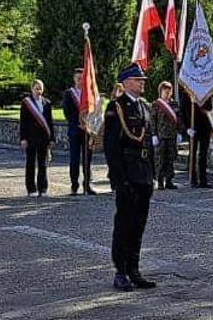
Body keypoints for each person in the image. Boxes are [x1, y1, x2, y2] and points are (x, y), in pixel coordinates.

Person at [105, 64, 158, 291]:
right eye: (138, 79)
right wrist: (119, 179)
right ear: (126, 82)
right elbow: (111, 147)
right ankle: (121, 271)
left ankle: (134, 269)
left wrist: (152, 174)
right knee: (124, 224)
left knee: (139, 224)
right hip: (127, 174)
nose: (142, 82)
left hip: (143, 174)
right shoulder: (116, 107)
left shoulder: (145, 107)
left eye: (142, 79)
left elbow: (148, 144)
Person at [61, 68, 98, 195]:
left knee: (87, 159)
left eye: (82, 78)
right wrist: (79, 123)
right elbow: (67, 112)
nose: (80, 80)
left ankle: (87, 184)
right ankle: (74, 185)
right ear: (74, 79)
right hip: (75, 131)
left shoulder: (90, 94)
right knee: (74, 159)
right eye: (78, 78)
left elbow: (94, 112)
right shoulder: (69, 94)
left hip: (88, 132)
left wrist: (89, 126)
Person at [20, 79, 54, 196]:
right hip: (30, 138)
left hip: (43, 138)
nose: (39, 91)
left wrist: (51, 139)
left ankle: (42, 188)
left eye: (40, 88)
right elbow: (23, 122)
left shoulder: (47, 103)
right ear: (32, 89)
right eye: (36, 88)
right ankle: (31, 189)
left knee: (42, 164)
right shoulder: (26, 103)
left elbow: (49, 122)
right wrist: (23, 138)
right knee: (30, 164)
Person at [151, 81, 183, 189]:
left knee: (171, 158)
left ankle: (169, 181)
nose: (167, 93)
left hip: (172, 135)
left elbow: (178, 120)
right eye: (165, 91)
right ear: (161, 92)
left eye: (169, 91)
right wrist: (153, 134)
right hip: (161, 136)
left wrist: (179, 132)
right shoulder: (156, 104)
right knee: (160, 159)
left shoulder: (174, 104)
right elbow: (152, 120)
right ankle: (160, 181)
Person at [188, 92, 213, 188]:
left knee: (203, 155)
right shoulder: (188, 92)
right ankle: (193, 180)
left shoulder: (206, 92)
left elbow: (209, 107)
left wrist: (199, 102)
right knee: (193, 154)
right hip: (193, 127)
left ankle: (203, 180)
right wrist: (187, 128)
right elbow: (183, 110)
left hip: (204, 127)